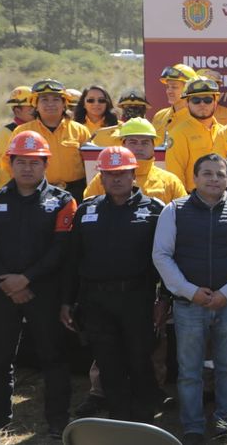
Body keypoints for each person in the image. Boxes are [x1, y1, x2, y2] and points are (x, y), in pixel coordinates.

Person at [0, 130, 78, 438]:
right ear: (9, 164)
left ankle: (58, 421)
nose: (27, 168)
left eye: (34, 162)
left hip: (43, 291)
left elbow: (61, 249)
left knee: (53, 357)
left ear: (45, 164)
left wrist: (26, 279)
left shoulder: (63, 201)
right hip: (2, 289)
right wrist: (8, 281)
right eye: (21, 162)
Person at [153, 153, 227, 444]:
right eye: (208, 173)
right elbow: (161, 255)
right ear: (195, 178)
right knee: (190, 371)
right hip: (189, 305)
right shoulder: (174, 210)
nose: (214, 179)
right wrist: (190, 291)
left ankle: (226, 422)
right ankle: (193, 426)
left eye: (220, 174)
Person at [63, 146, 167, 423]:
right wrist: (66, 301)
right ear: (101, 177)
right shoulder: (86, 210)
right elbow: (73, 260)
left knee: (140, 356)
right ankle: (118, 416)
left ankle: (146, 415)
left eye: (122, 173)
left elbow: (167, 259)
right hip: (95, 300)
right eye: (110, 174)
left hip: (137, 298)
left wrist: (164, 299)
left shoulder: (156, 210)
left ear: (134, 174)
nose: (116, 179)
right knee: (107, 360)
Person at [14, 79, 94, 198]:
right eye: (44, 100)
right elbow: (8, 163)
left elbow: (90, 165)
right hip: (36, 192)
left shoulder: (80, 130)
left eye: (56, 99)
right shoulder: (22, 131)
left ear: (64, 105)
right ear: (36, 105)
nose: (50, 104)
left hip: (76, 192)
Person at [164, 78, 226, 192]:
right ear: (187, 103)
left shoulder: (225, 132)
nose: (202, 104)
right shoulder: (178, 133)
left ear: (215, 103)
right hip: (192, 198)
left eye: (207, 100)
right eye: (196, 100)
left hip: (224, 198)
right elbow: (175, 175)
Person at [151, 64, 198, 141]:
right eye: (168, 87)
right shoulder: (159, 116)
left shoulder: (198, 119)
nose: (169, 91)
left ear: (189, 89)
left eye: (174, 87)